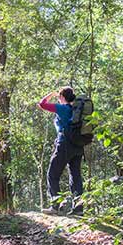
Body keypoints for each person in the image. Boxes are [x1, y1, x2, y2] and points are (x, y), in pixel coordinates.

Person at [37, 86, 84, 215]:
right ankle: (78, 209)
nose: (58, 99)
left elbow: (42, 104)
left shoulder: (62, 109)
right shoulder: (76, 110)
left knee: (52, 174)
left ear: (63, 97)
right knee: (75, 176)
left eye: (59, 97)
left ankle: (55, 206)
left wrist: (50, 95)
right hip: (78, 146)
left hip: (64, 145)